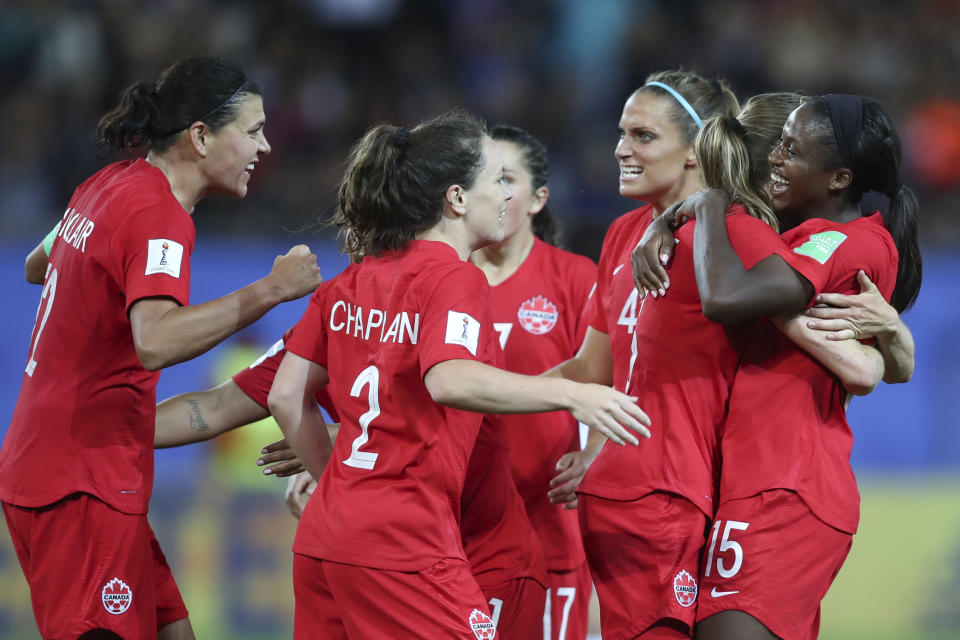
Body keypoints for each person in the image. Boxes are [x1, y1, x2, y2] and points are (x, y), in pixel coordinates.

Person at [265, 110, 650, 639]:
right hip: (407, 539)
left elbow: (286, 397)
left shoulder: (351, 280)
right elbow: (448, 379)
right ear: (457, 199)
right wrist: (571, 393)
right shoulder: (454, 278)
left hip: (324, 538)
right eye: (497, 180)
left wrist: (342, 484)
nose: (507, 196)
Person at [0, 56, 322, 640]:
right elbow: (155, 341)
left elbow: (33, 265)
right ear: (200, 136)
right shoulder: (158, 213)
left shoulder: (106, 185)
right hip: (80, 482)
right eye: (252, 131)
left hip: (61, 464)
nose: (266, 146)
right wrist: (271, 290)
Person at [673, 95, 921, 640]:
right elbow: (873, 366)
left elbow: (729, 296)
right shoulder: (809, 238)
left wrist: (711, 205)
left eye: (792, 151)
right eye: (779, 144)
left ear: (838, 178)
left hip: (784, 486)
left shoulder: (841, 241)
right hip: (760, 483)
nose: (776, 161)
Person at [155, 326, 550, 639]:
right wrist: (102, 434)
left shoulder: (444, 301)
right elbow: (217, 406)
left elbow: (455, 420)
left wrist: (335, 438)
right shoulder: (332, 316)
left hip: (483, 554)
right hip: (390, 561)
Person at [540, 70, 739, 639]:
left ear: (697, 150)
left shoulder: (731, 238)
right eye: (622, 133)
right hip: (630, 495)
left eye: (643, 136)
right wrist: (476, 396)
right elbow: (596, 372)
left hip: (690, 491)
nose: (621, 149)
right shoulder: (623, 235)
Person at [470, 124, 597, 640]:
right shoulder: (442, 277)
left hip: (548, 531)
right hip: (454, 531)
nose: (493, 192)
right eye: (481, 178)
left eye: (507, 179)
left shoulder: (576, 279)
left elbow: (623, 378)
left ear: (540, 198)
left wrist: (595, 456)